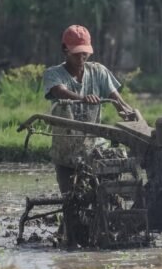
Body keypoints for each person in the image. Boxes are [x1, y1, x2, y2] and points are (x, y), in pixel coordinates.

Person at [43, 24, 136, 194]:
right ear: (65, 50)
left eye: (84, 52)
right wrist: (82, 98)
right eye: (76, 52)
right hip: (67, 149)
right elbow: (60, 91)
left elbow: (117, 100)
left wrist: (130, 114)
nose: (81, 56)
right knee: (71, 200)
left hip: (95, 146)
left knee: (109, 189)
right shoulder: (53, 74)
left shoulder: (98, 71)